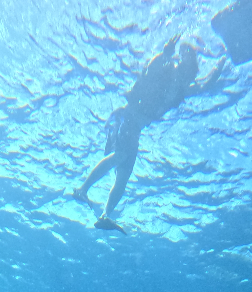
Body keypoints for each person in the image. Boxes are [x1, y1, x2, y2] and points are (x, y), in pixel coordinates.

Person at [72, 36, 226, 232]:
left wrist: (219, 68)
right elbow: (150, 69)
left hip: (135, 128)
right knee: (120, 156)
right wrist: (165, 53)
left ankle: (105, 215)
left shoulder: (181, 89)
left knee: (124, 175)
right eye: (187, 68)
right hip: (127, 118)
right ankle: (83, 190)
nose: (189, 76)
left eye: (191, 72)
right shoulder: (167, 69)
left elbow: (204, 86)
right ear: (181, 65)